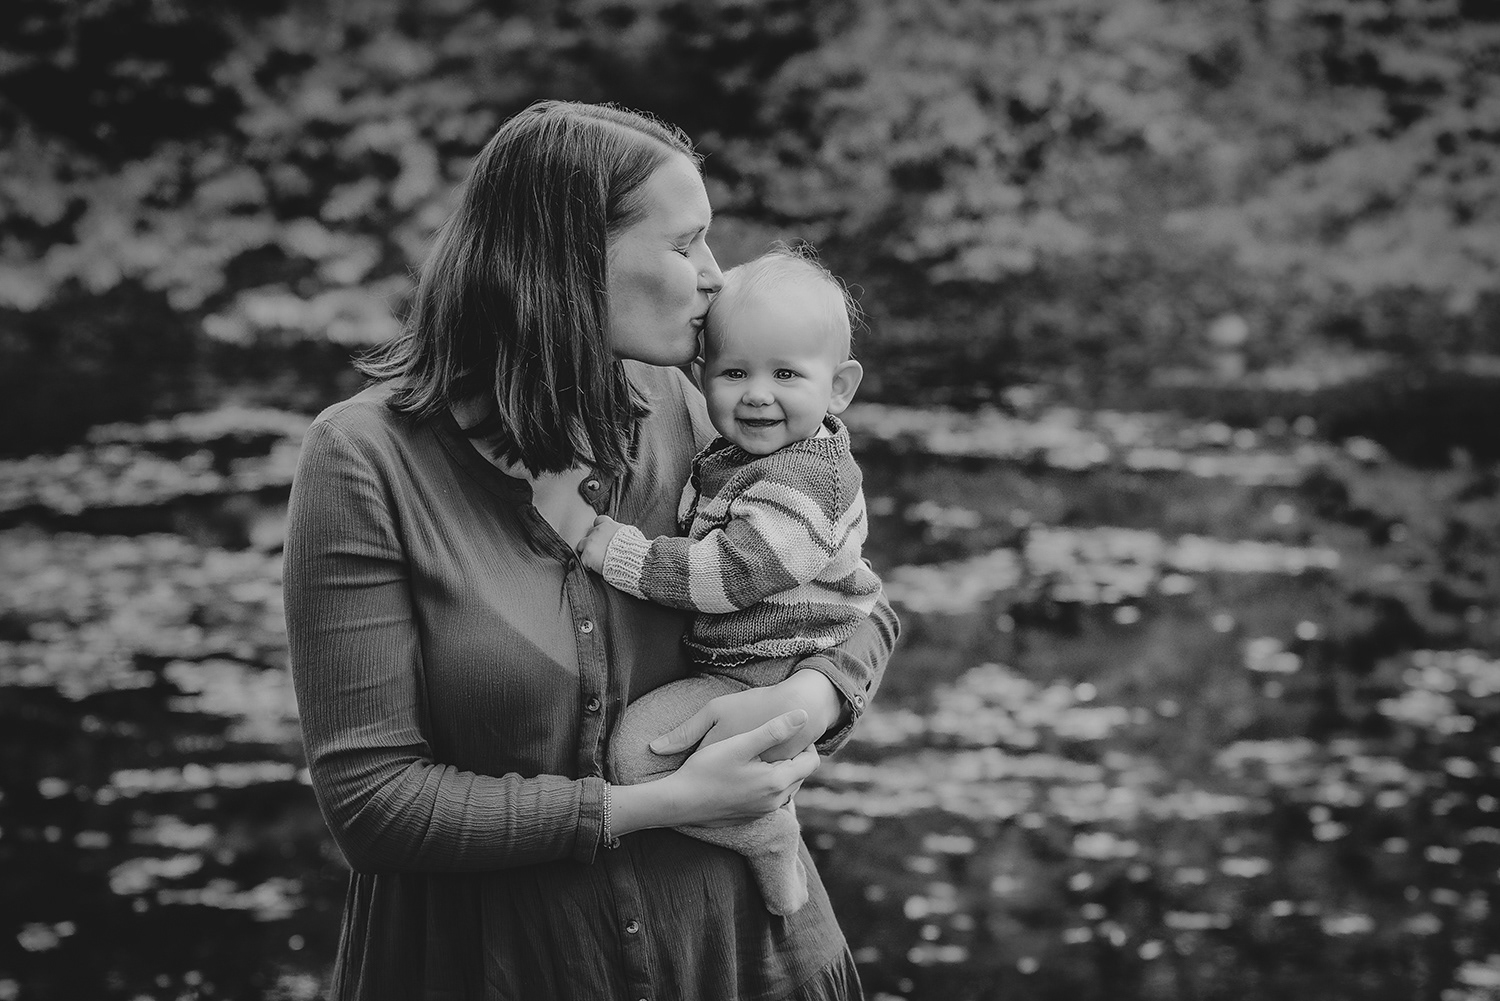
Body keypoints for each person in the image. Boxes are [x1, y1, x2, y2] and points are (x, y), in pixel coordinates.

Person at [283, 99, 899, 1001]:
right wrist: (653, 804)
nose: (717, 278)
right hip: (500, 970)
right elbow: (376, 807)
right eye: (685, 245)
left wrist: (809, 700)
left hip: (745, 960)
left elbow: (863, 607)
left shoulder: (700, 408)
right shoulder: (363, 460)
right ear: (569, 260)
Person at [575, 246, 878, 917]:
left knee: (638, 756)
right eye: (734, 371)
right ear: (701, 372)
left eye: (786, 373)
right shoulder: (744, 454)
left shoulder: (803, 480)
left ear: (840, 387)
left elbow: (728, 575)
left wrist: (618, 550)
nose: (758, 393)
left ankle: (766, 836)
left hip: (767, 669)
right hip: (752, 662)